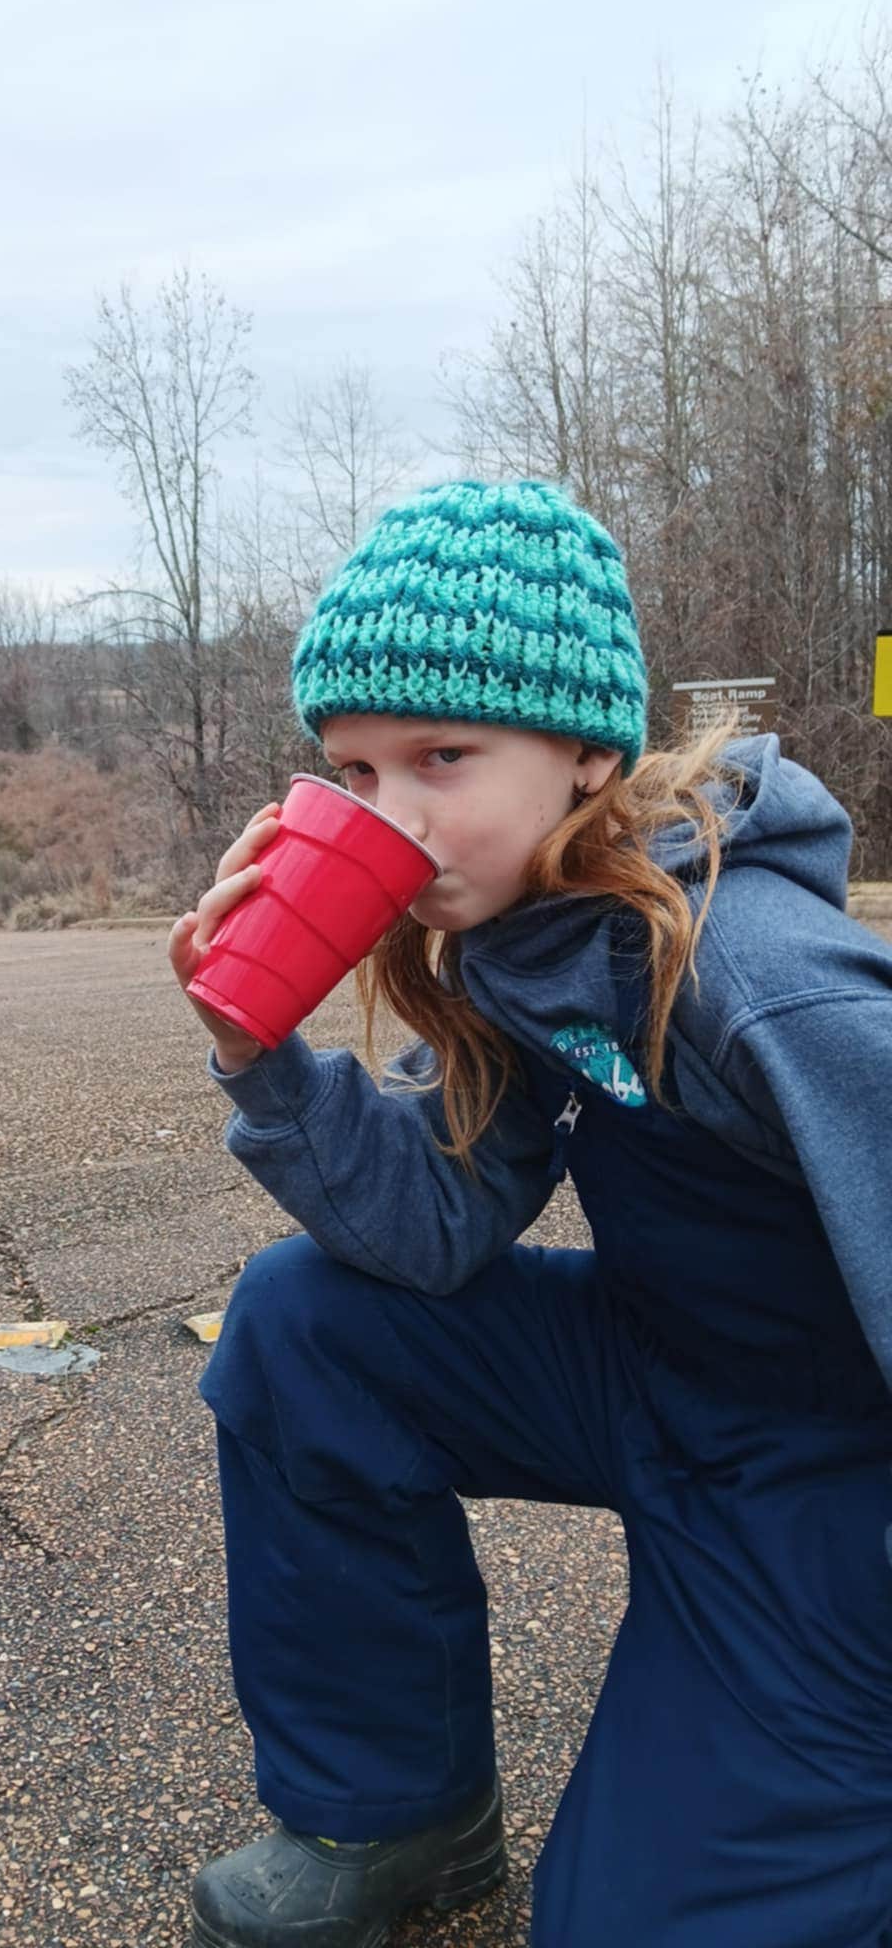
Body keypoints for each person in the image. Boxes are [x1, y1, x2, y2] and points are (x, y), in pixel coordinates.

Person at [167, 479, 892, 1948]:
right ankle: (398, 1813)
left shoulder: (760, 976)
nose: (393, 814)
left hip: (822, 1480)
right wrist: (264, 1064)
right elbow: (435, 1228)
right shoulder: (512, 937)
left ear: (583, 754)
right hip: (652, 1378)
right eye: (355, 774)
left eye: (443, 755)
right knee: (306, 1327)